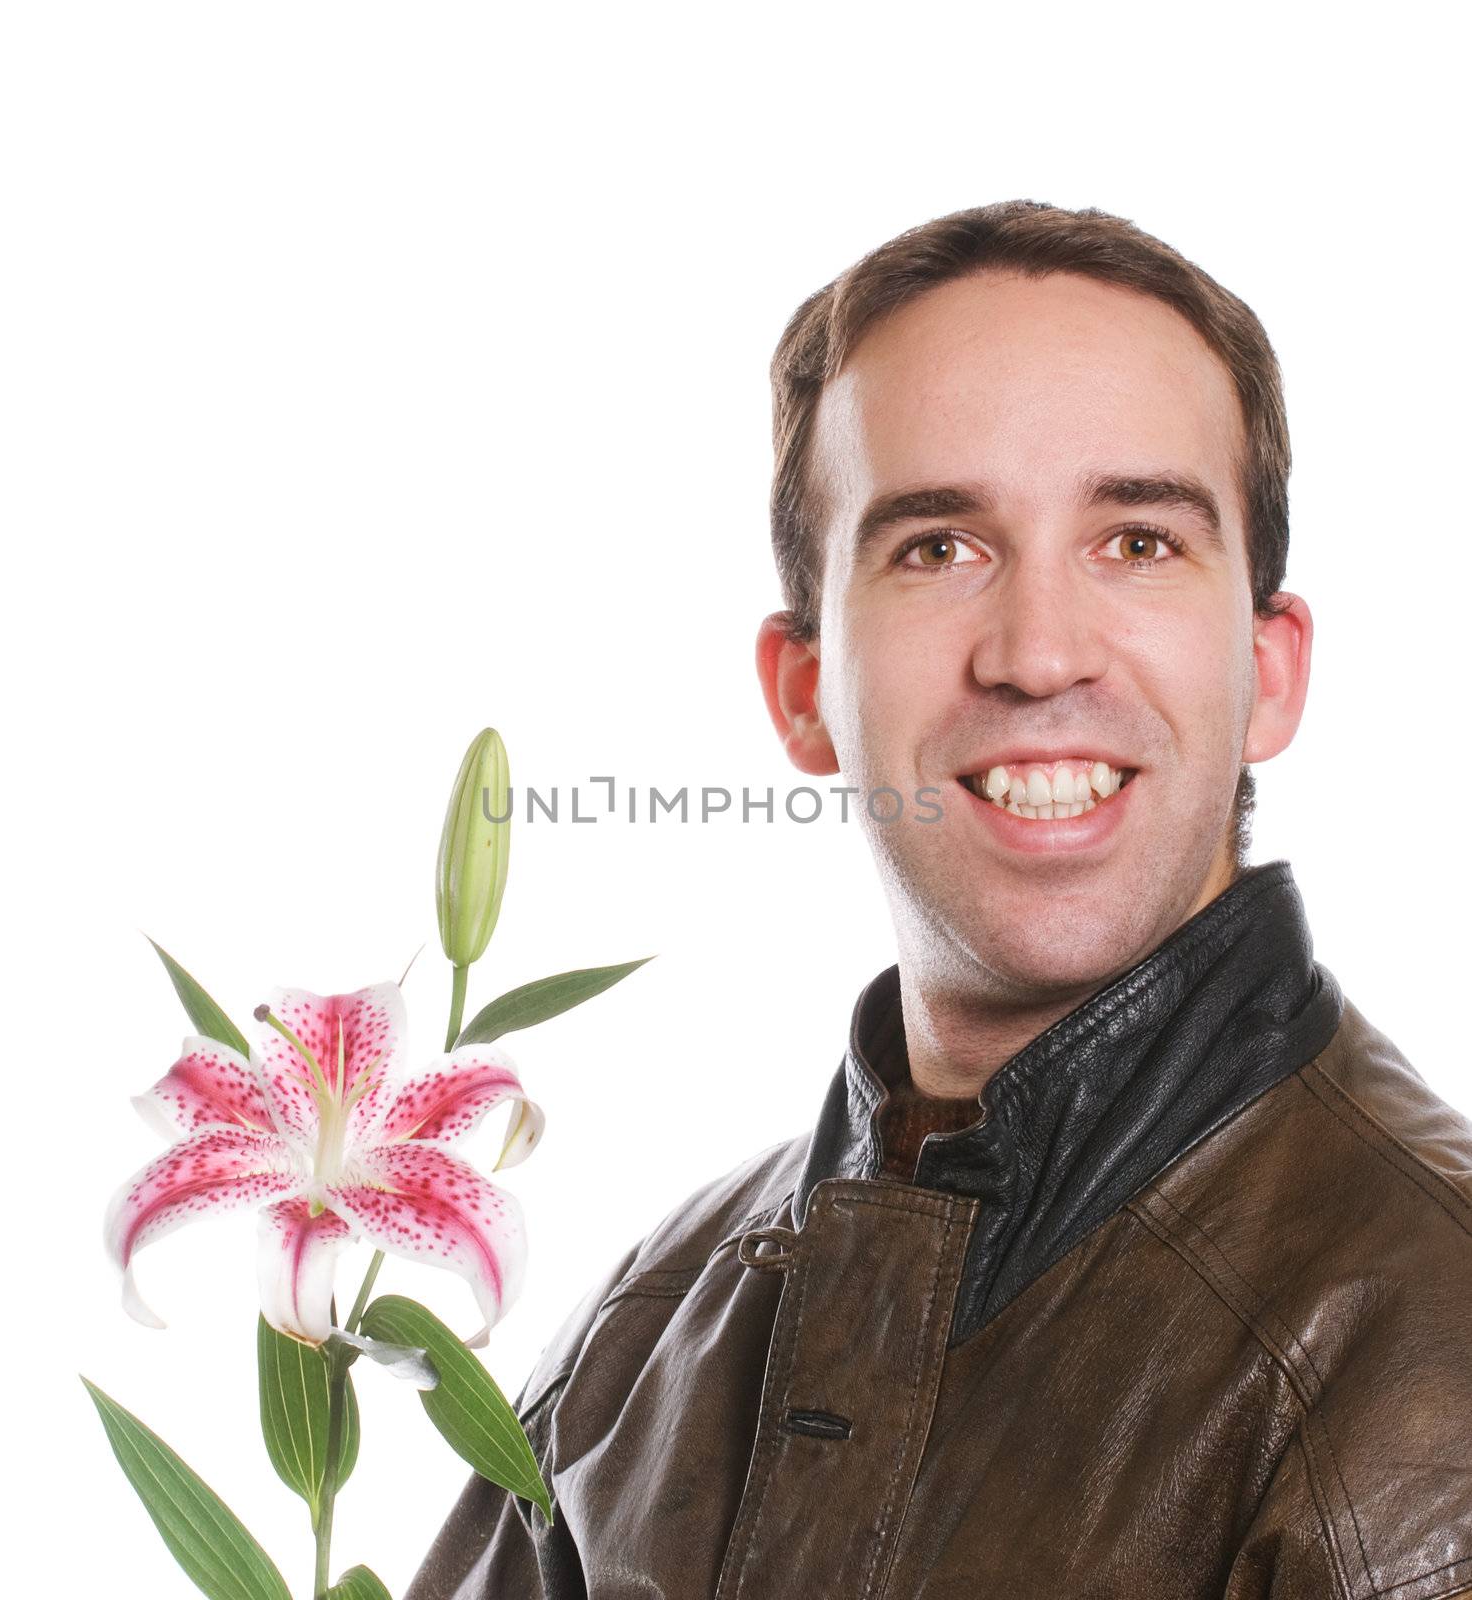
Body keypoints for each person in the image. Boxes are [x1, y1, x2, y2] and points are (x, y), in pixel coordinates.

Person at [407, 201, 1472, 1599]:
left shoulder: (1429, 1351)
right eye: (936, 548)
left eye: (1137, 541)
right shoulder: (644, 1335)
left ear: (1268, 671)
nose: (1037, 655)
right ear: (802, 690)